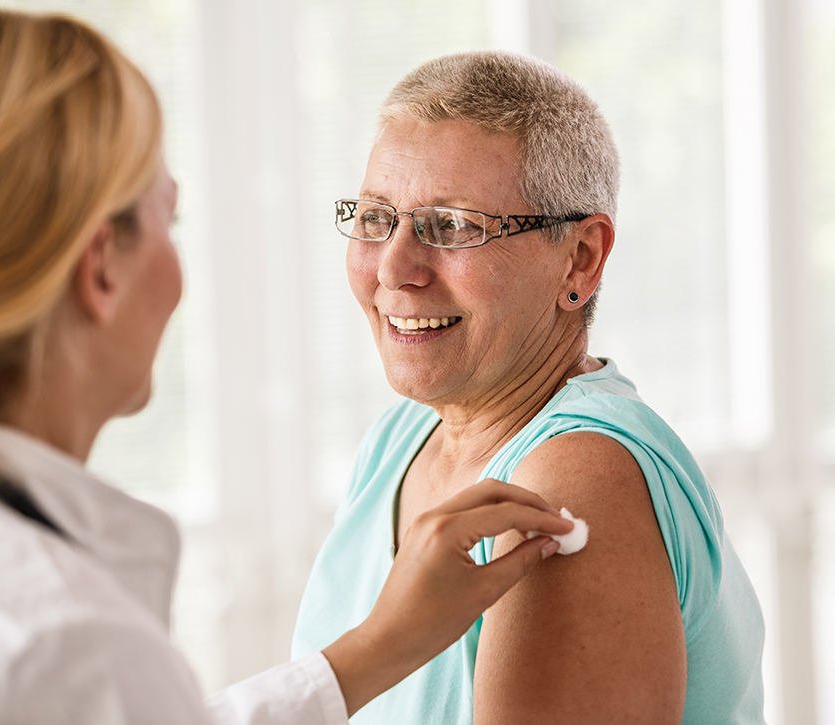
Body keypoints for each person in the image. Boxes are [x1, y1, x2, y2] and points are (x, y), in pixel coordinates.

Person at [0, 6, 575, 724]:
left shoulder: (577, 466)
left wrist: (375, 647)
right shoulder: (71, 649)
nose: (396, 267)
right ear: (101, 267)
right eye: (172, 218)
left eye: (452, 226)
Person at [290, 50, 767, 724]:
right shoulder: (402, 437)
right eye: (375, 218)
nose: (394, 269)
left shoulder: (573, 484)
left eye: (451, 225)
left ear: (580, 259)